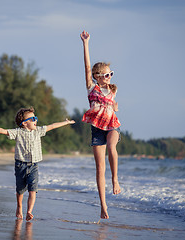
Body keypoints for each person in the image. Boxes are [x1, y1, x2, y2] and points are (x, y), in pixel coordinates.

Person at [0, 107, 75, 221]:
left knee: (33, 190)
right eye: (33, 118)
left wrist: (65, 122)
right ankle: (19, 206)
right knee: (20, 190)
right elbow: (3, 130)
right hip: (20, 165)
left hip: (34, 165)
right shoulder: (18, 132)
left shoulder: (38, 130)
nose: (36, 120)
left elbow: (52, 126)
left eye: (35, 118)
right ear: (24, 123)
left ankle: (29, 211)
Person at [80, 30, 121, 220]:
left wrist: (114, 105)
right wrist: (86, 44)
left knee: (112, 146)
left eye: (110, 74)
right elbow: (87, 66)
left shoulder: (112, 89)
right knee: (99, 168)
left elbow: (116, 106)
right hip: (97, 129)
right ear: (97, 76)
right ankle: (103, 206)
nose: (109, 77)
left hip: (112, 125)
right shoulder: (92, 87)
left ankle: (115, 179)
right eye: (105, 75)